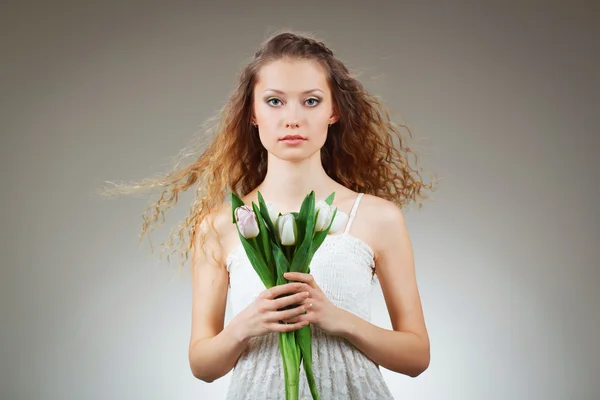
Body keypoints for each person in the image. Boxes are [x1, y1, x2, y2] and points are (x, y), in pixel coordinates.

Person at [105, 30, 437, 399]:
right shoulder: (220, 226)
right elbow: (202, 365)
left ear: (333, 111)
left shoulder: (378, 218)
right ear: (252, 112)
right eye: (275, 101)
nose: (292, 119)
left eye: (311, 101)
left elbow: (416, 355)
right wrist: (246, 325)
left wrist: (338, 319)